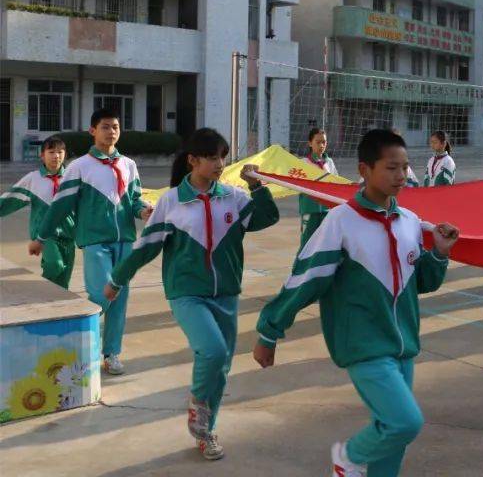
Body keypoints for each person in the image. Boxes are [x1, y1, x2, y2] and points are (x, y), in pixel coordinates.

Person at [255, 129, 459, 477]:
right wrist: (269, 331)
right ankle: (348, 457)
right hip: (363, 346)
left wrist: (439, 253)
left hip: (403, 347)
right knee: (404, 423)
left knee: (392, 437)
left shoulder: (409, 222)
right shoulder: (340, 223)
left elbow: (422, 282)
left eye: (405, 168)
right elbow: (305, 280)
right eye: (392, 168)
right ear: (364, 170)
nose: (401, 176)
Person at [106, 129, 278, 460]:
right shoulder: (171, 202)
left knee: (222, 367)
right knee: (212, 352)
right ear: (193, 161)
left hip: (226, 293)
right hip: (186, 293)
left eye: (222, 157)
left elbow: (265, 217)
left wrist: (256, 185)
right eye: (212, 157)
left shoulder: (233, 197)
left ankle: (205, 432)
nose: (219, 164)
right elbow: (146, 248)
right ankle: (198, 405)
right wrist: (117, 278)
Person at [37, 108, 152, 376]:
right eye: (105, 127)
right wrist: (42, 236)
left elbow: (134, 200)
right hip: (94, 241)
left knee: (120, 298)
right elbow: (61, 205)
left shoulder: (128, 165)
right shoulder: (79, 167)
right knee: (102, 295)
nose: (111, 132)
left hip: (124, 240)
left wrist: (143, 210)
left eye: (115, 127)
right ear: (92, 131)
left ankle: (111, 354)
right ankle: (80, 341)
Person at [2, 137, 76, 288]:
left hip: (69, 235)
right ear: (42, 155)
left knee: (63, 281)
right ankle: (41, 289)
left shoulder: (73, 177)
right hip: (44, 235)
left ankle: (54, 304)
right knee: (55, 265)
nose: (56, 156)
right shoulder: (33, 179)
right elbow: (10, 198)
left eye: (60, 152)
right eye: (51, 152)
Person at [298, 127, 338, 248]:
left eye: (324, 142)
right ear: (310, 143)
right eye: (318, 142)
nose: (321, 145)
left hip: (327, 211)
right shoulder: (304, 163)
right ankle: (303, 266)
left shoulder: (329, 162)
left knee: (325, 244)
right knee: (307, 244)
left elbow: (337, 182)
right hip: (310, 210)